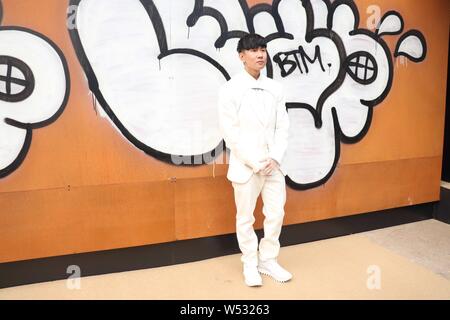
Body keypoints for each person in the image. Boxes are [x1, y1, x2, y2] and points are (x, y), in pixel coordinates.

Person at [217, 33, 291, 287]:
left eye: (263, 49)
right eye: (254, 50)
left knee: (275, 214)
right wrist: (253, 161)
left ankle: (268, 259)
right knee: (245, 217)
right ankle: (250, 262)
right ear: (241, 56)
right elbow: (231, 133)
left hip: (274, 166)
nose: (261, 55)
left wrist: (276, 157)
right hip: (246, 167)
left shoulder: (276, 88)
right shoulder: (229, 89)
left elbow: (283, 126)